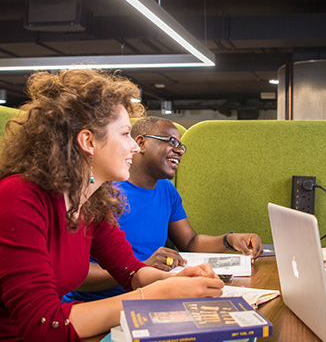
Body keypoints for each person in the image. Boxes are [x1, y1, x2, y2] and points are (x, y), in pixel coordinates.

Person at [0, 70, 224, 342]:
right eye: (126, 134)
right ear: (88, 141)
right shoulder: (18, 196)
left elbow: (131, 272)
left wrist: (178, 281)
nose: (134, 146)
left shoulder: (91, 200)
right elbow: (45, 325)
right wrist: (151, 297)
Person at [65, 116, 263, 302]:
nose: (179, 151)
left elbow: (190, 242)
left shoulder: (166, 190)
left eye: (181, 146)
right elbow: (77, 276)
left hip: (151, 295)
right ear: (141, 143)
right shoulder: (102, 192)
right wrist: (140, 268)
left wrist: (229, 240)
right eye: (171, 141)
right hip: (100, 302)